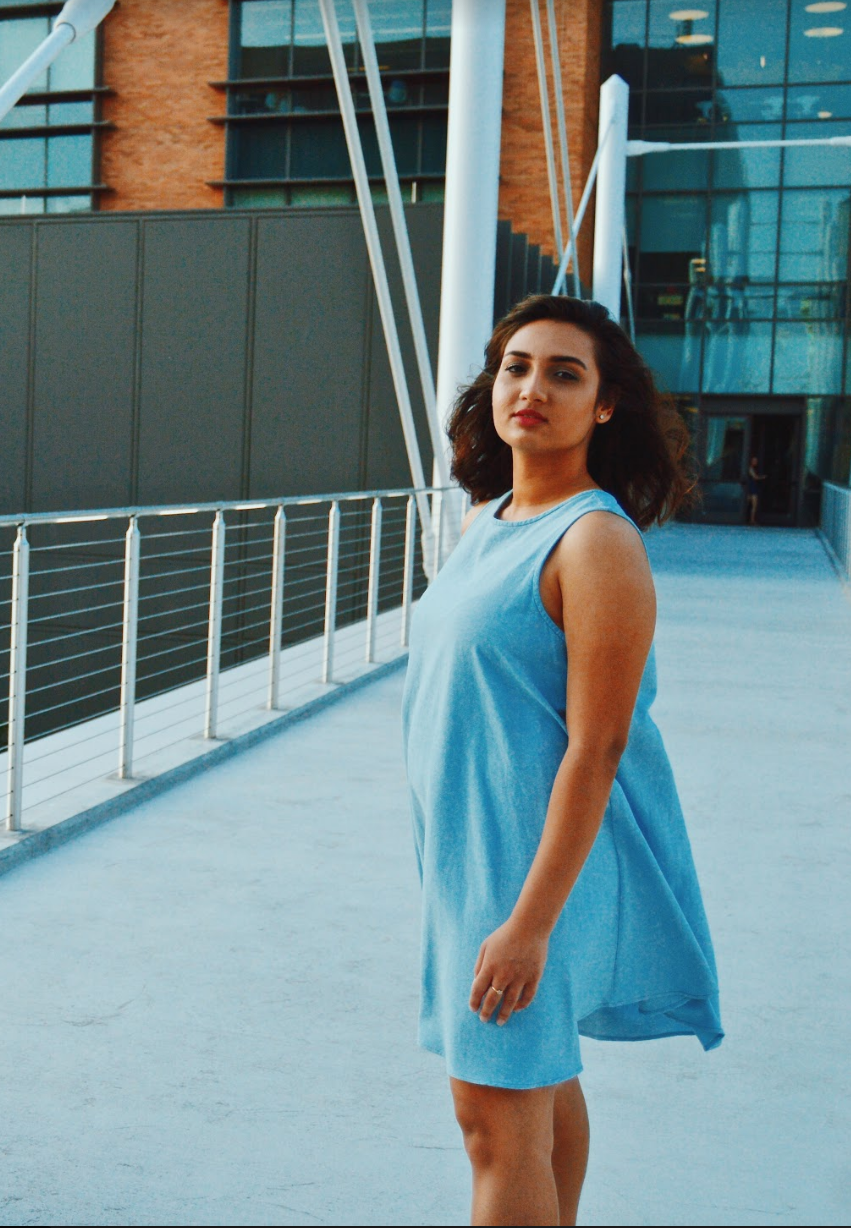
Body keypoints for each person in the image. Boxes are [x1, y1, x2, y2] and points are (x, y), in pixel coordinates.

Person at [403, 295, 723, 1225]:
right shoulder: (487, 519)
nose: (531, 388)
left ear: (605, 405)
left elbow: (599, 746)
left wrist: (529, 924)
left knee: (492, 1123)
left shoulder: (594, 541)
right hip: (469, 855)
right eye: (515, 366)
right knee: (536, 1096)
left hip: (520, 870)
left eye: (563, 373)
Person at [744, 454, 765, 525]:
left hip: (753, 487)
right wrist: (763, 477)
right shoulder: (750, 468)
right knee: (751, 504)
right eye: (754, 460)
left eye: (756, 461)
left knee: (753, 505)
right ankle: (750, 519)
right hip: (751, 487)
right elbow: (755, 477)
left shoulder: (755, 469)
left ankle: (751, 519)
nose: (755, 462)